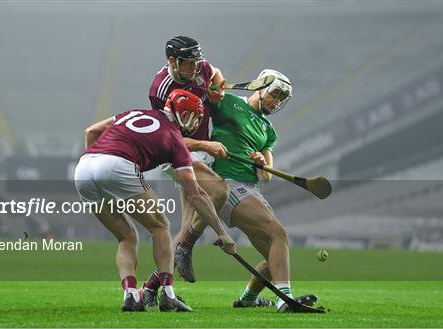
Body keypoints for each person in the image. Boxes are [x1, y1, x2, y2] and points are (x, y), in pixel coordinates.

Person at [74, 89, 236, 312]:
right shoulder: (176, 140)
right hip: (118, 165)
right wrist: (222, 233)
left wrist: (94, 163)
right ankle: (168, 294)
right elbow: (197, 194)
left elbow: (90, 131)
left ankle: (131, 295)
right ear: (181, 113)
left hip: (84, 168)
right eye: (193, 116)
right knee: (161, 227)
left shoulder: (134, 113)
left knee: (127, 237)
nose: (195, 122)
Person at [176, 69, 317, 312]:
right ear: (261, 88)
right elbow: (210, 85)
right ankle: (285, 299)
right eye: (275, 94)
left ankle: (248, 299)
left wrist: (262, 162)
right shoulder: (229, 103)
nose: (276, 102)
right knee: (279, 235)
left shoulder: (268, 129)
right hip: (227, 183)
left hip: (252, 188)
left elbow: (267, 176)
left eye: (281, 99)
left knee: (275, 257)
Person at [141, 36, 231, 303]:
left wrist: (219, 90)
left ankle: (149, 288)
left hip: (201, 147)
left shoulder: (201, 67)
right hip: (177, 152)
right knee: (218, 192)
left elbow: (216, 75)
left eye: (196, 62)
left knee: (186, 225)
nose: (195, 68)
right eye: (189, 64)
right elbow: (169, 136)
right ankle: (186, 246)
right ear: (172, 61)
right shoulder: (160, 89)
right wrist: (207, 144)